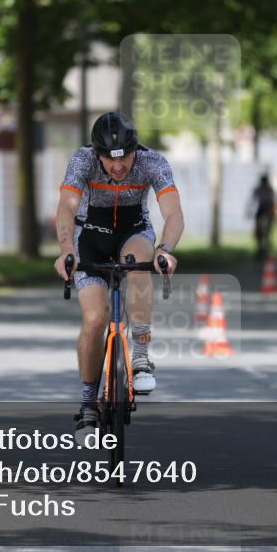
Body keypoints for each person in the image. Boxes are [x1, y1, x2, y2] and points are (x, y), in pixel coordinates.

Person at [53, 112, 184, 440]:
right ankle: (88, 404)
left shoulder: (152, 162)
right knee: (95, 318)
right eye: (109, 159)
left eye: (125, 156)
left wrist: (166, 249)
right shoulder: (82, 160)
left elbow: (173, 213)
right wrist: (67, 251)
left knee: (138, 260)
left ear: (135, 149)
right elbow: (66, 208)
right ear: (96, 153)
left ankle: (140, 357)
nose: (118, 166)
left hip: (133, 231)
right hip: (90, 237)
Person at [248, 173, 277, 260]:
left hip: (268, 209)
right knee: (259, 230)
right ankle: (260, 247)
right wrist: (249, 210)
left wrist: (275, 213)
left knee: (267, 231)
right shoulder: (259, 189)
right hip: (262, 209)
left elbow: (274, 201)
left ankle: (266, 247)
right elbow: (252, 200)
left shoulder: (270, 189)